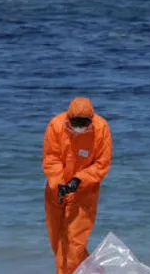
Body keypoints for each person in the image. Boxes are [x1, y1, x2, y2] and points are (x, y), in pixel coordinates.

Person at [42, 97, 113, 274]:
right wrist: (59, 183)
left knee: (74, 244)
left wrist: (79, 180)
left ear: (91, 119)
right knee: (58, 241)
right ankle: (94, 271)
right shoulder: (56, 125)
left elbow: (102, 164)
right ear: (68, 119)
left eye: (84, 123)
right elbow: (51, 158)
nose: (79, 126)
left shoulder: (101, 128)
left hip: (84, 193)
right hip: (56, 191)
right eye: (76, 122)